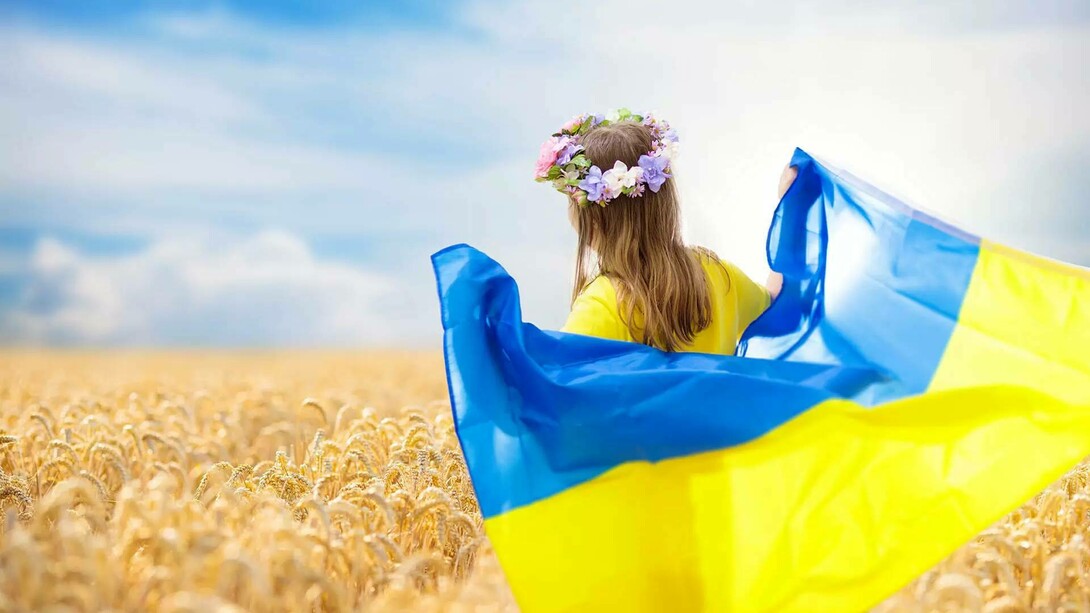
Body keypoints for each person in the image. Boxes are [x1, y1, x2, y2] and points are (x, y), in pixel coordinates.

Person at [534, 109, 791, 354]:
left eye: (572, 201)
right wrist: (789, 210)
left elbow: (552, 383)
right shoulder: (716, 275)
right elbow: (777, 302)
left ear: (594, 224)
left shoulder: (601, 305)